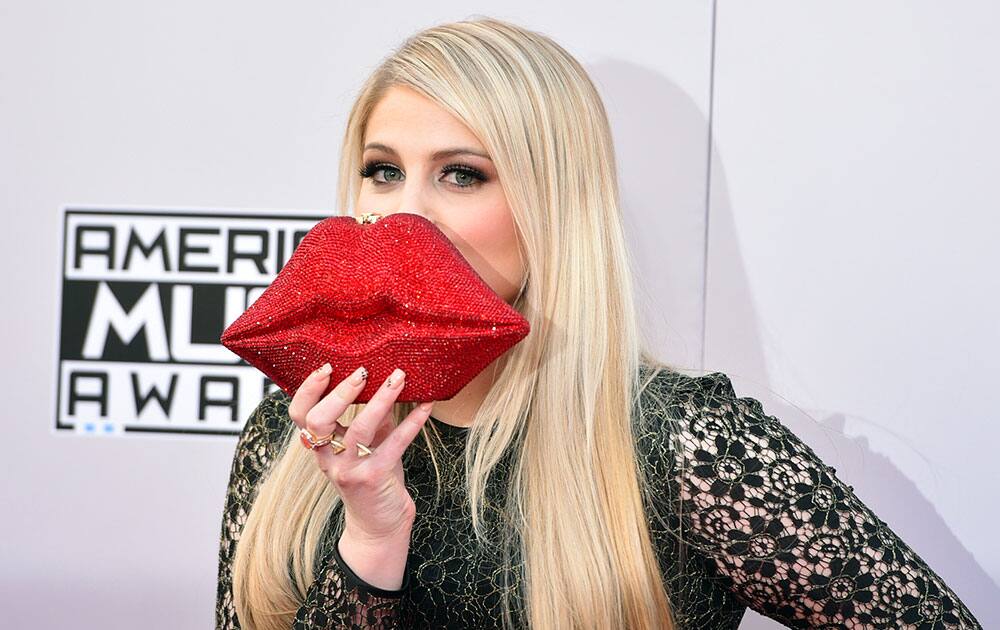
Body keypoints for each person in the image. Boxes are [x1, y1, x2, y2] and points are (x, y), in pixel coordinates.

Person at [215, 16, 983, 630]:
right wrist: (371, 542)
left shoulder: (681, 443)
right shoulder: (290, 440)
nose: (403, 215)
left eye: (462, 174)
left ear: (554, 203)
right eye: (382, 170)